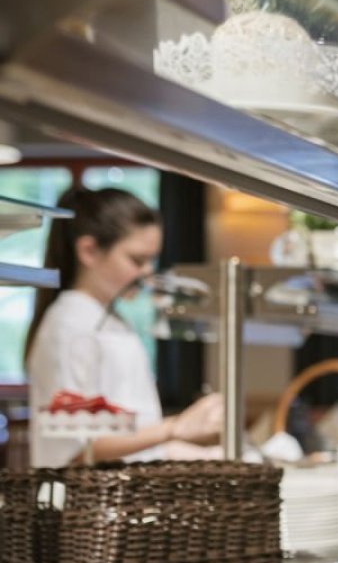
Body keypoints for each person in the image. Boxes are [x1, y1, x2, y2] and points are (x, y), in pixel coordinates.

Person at [25, 186, 222, 468]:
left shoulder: (110, 321)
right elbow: (77, 448)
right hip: (82, 507)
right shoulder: (68, 325)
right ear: (89, 251)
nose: (146, 273)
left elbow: (131, 440)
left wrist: (208, 456)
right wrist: (174, 427)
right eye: (137, 260)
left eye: (151, 260)